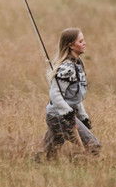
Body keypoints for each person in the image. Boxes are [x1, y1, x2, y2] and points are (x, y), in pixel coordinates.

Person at [40, 27, 100, 158]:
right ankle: (80, 165)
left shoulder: (77, 64)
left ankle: (37, 166)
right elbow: (55, 94)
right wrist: (67, 113)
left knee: (48, 155)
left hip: (59, 115)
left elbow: (74, 97)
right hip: (59, 116)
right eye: (80, 41)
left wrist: (83, 116)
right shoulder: (66, 68)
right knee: (93, 146)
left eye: (83, 40)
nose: (84, 43)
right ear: (71, 45)